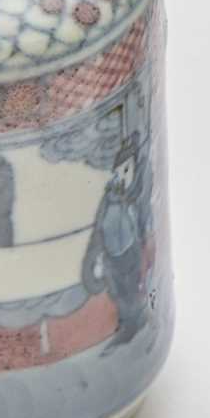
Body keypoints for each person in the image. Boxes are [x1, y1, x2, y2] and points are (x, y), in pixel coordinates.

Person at [81, 138, 150, 349]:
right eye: (119, 171)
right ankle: (125, 325)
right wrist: (97, 255)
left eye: (126, 170)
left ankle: (134, 323)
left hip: (129, 251)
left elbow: (141, 220)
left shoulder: (134, 193)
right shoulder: (110, 196)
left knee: (131, 288)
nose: (122, 175)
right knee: (117, 291)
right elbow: (99, 226)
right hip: (111, 253)